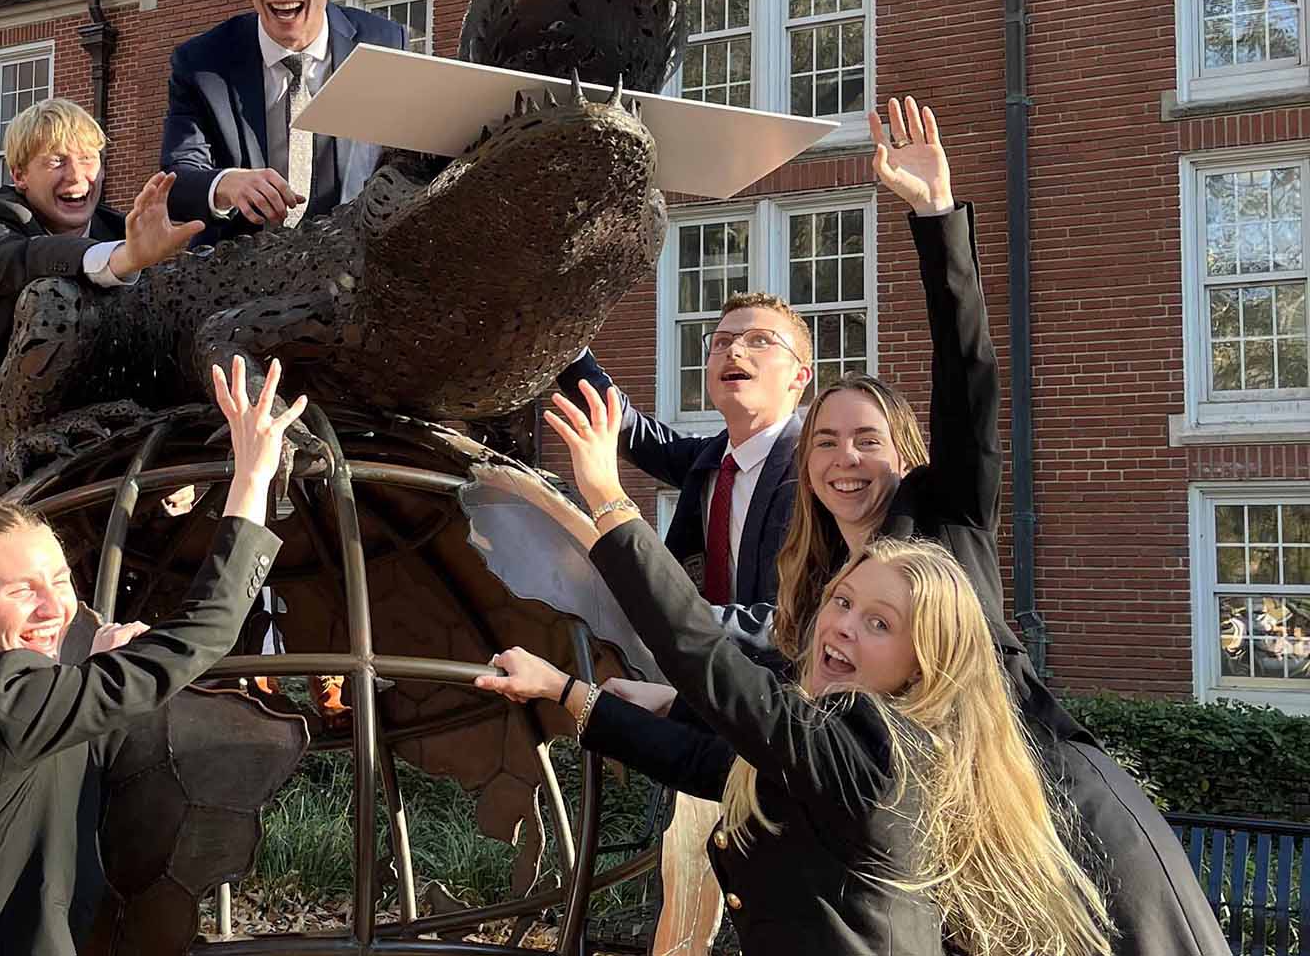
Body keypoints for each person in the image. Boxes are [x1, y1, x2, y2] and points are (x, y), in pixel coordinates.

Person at [619, 96, 1229, 956]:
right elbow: (772, 698)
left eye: (867, 440)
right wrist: (663, 697)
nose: (844, 459)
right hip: (956, 845)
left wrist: (936, 219)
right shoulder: (829, 589)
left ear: (902, 452)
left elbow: (967, 382)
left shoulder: (945, 515)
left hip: (1059, 811)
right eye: (825, 441)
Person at [479, 517, 1113, 956]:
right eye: (842, 602)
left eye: (879, 623)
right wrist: (568, 692)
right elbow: (715, 763)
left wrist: (611, 504)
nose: (842, 627)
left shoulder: (879, 750)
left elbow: (707, 658)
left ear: (926, 661)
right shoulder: (854, 745)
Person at [0, 356, 304, 956]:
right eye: (23, 590)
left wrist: (91, 672)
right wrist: (252, 477)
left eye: (60, 579)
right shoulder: (2, 696)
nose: (57, 607)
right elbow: (201, 634)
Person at [557, 291, 811, 955]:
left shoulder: (818, 471)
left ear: (800, 375)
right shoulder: (710, 462)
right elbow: (629, 427)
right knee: (691, 884)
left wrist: (678, 622)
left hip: (779, 719)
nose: (733, 350)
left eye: (758, 341)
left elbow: (790, 621)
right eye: (722, 340)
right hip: (704, 700)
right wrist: (556, 335)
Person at [0, 98, 202, 496]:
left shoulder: (121, 229)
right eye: (56, 161)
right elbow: (29, 259)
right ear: (19, 174)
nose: (77, 176)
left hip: (101, 450)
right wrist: (122, 259)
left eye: (89, 159)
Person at [159, 0, 407, 243]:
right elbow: (176, 181)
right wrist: (226, 184)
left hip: (353, 259)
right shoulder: (201, 64)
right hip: (241, 271)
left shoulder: (383, 42)